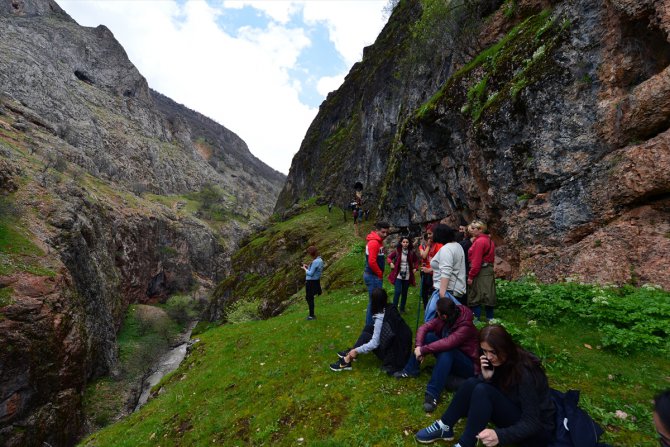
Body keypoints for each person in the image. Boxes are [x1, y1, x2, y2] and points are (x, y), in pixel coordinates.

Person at [415, 324, 556, 446]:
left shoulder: (525, 373)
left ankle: (466, 444)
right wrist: (487, 377)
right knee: (472, 383)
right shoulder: (501, 360)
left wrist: (500, 435)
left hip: (536, 432)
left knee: (484, 390)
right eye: (485, 351)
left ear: (505, 347)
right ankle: (445, 426)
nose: (488, 357)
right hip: (515, 411)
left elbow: (532, 422)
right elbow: (502, 392)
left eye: (493, 352)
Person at [394, 298, 479, 413]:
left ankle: (432, 395)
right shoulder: (448, 316)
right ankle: (410, 370)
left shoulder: (465, 326)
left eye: (437, 312)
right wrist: (419, 347)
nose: (436, 314)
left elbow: (448, 343)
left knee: (447, 349)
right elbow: (424, 328)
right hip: (452, 355)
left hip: (468, 365)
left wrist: (423, 350)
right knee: (428, 337)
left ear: (444, 316)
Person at [330, 288, 411, 373]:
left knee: (367, 336)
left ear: (374, 302)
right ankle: (351, 353)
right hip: (403, 351)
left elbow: (374, 343)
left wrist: (357, 350)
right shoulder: (390, 308)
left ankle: (347, 360)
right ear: (385, 298)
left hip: (394, 358)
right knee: (369, 328)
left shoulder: (380, 318)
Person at [424, 224, 466, 322]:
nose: (431, 236)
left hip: (447, 291)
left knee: (432, 321)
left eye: (433, 233)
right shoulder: (457, 245)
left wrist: (442, 295)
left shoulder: (446, 249)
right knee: (451, 321)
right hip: (455, 288)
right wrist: (430, 270)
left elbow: (446, 271)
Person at [467, 220, 496, 321]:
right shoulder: (489, 240)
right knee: (489, 294)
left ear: (480, 229)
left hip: (480, 271)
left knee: (475, 296)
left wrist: (471, 276)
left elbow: (476, 261)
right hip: (488, 269)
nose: (472, 230)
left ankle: (476, 321)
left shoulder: (479, 241)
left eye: (474, 228)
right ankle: (490, 319)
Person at [363, 221, 389, 325]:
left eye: (387, 232)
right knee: (374, 302)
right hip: (373, 276)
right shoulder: (374, 243)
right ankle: (370, 326)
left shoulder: (378, 241)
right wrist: (379, 273)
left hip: (373, 275)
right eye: (383, 232)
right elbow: (372, 261)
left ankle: (371, 324)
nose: (385, 234)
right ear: (377, 230)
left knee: (374, 301)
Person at [387, 236, 419, 313]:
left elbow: (416, 261)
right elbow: (389, 257)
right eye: (403, 242)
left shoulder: (411, 252)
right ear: (401, 243)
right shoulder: (397, 251)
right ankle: (394, 310)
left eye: (407, 242)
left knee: (404, 293)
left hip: (407, 276)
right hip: (398, 275)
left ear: (409, 243)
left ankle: (402, 309)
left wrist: (415, 268)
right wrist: (391, 263)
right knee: (397, 292)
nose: (405, 244)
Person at [419, 225, 441, 309]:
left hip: (432, 271)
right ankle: (426, 306)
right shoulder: (422, 246)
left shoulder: (437, 245)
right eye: (426, 238)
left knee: (432, 289)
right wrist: (427, 246)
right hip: (425, 270)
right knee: (424, 290)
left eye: (429, 235)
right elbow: (424, 256)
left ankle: (432, 306)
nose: (428, 239)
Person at [301, 245, 324, 320]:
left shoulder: (315, 261)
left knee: (309, 298)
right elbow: (315, 271)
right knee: (310, 298)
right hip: (315, 281)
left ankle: (311, 315)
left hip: (311, 282)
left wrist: (305, 269)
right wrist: (308, 267)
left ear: (311, 253)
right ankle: (311, 315)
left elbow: (310, 274)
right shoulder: (320, 260)